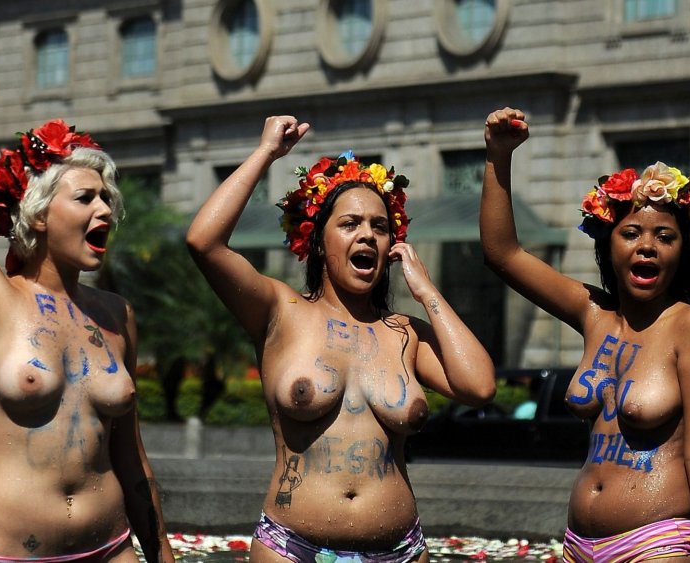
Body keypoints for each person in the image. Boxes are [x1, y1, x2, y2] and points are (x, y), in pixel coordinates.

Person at [0, 2, 173, 562]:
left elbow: (132, 460)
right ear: (36, 213)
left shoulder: (116, 314)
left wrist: (162, 553)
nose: (105, 209)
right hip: (6, 553)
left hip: (112, 550)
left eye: (108, 198)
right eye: (85, 198)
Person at [186, 116, 496, 563]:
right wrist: (266, 153)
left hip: (401, 551)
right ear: (316, 240)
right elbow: (204, 242)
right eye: (350, 223)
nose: (367, 234)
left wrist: (427, 293)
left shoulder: (405, 333)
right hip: (293, 548)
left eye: (379, 226)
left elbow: (479, 386)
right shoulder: (281, 311)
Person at [480, 107, 690, 563]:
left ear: (682, 251)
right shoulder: (593, 314)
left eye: (665, 237)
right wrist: (499, 156)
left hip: (658, 544)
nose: (647, 246)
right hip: (579, 545)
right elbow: (503, 253)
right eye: (631, 232)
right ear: (608, 244)